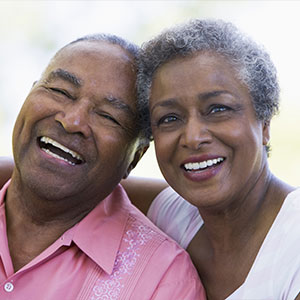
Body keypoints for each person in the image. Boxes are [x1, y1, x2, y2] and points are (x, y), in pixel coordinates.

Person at [0, 34, 205, 299]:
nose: (72, 121)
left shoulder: (163, 280)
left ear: (135, 158)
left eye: (108, 116)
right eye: (60, 91)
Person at [125, 19, 300, 299]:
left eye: (218, 109)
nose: (193, 137)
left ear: (264, 123)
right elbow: (93, 184)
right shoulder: (172, 215)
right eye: (169, 118)